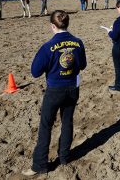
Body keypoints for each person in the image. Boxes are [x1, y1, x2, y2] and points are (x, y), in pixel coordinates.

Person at [22, 10, 87, 176]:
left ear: (53, 26)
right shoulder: (78, 43)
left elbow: (35, 72)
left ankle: (39, 165)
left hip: (55, 90)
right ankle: (64, 156)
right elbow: (83, 65)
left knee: (45, 126)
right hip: (73, 88)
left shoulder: (47, 47)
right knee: (67, 122)